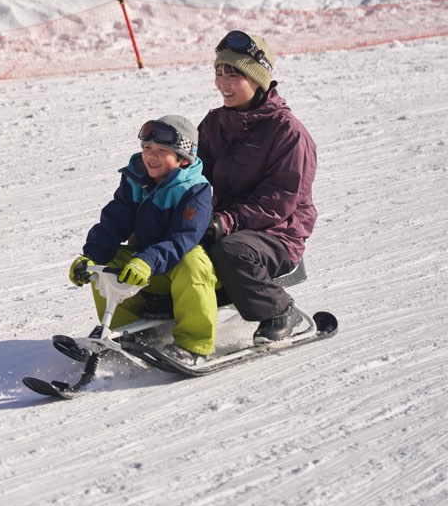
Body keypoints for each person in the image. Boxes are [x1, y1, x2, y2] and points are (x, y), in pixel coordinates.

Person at [198, 31, 317, 344]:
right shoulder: (214, 124)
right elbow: (192, 173)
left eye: (234, 74)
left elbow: (278, 202)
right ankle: (165, 315)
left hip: (277, 232)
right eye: (218, 72)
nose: (223, 82)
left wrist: (224, 222)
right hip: (228, 223)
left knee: (231, 251)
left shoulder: (289, 133)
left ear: (258, 79)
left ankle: (279, 310)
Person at [69, 115, 218, 365]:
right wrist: (91, 257)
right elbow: (115, 220)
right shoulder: (135, 179)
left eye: (162, 150)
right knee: (108, 263)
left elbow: (184, 238)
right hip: (147, 266)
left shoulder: (195, 189)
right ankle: (129, 334)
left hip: (180, 266)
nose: (151, 156)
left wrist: (147, 260)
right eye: (147, 148)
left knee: (193, 263)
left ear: (183, 159)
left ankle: (193, 345)